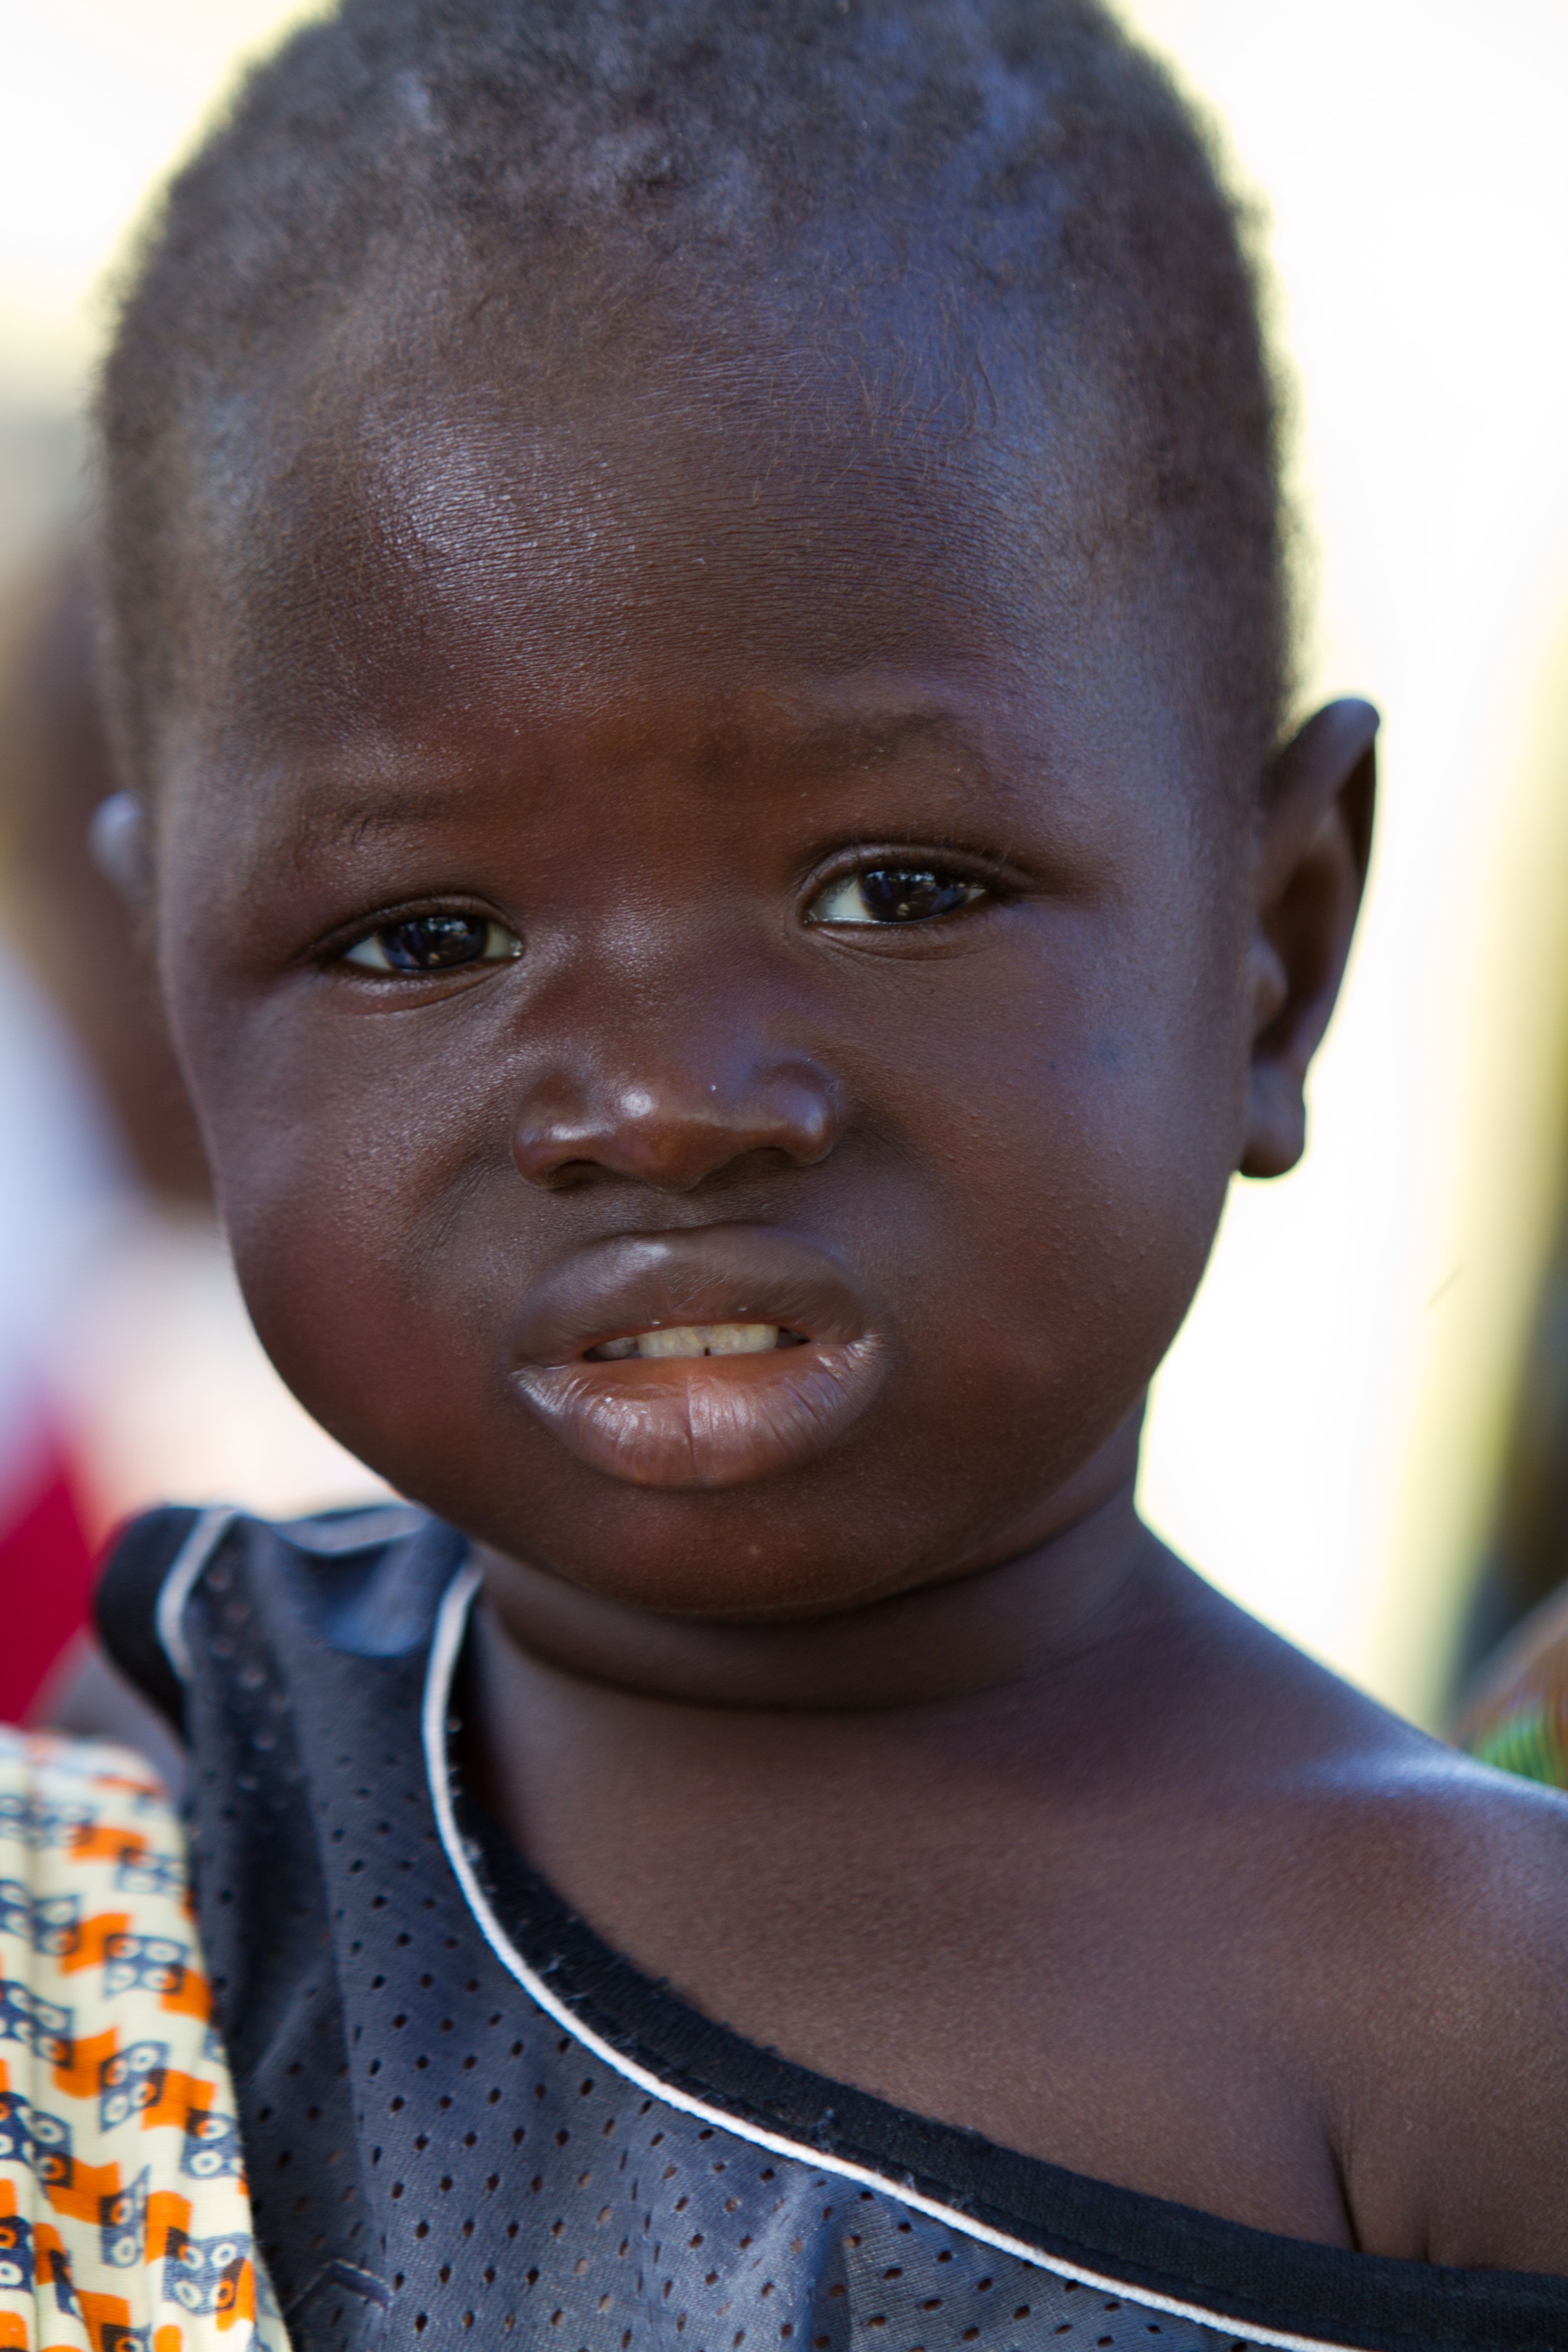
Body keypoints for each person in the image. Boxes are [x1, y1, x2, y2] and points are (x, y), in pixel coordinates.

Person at [66, 1, 1568, 2345]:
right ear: (174, 992)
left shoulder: (1477, 2001)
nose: (665, 1100)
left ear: (1270, 958)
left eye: (895, 888)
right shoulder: (159, 1828)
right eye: (423, 937)